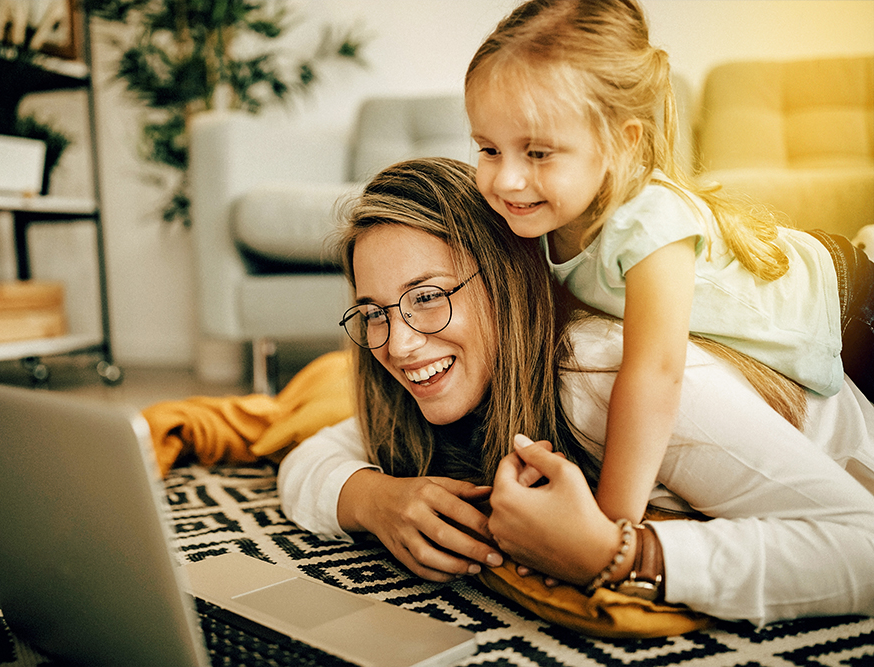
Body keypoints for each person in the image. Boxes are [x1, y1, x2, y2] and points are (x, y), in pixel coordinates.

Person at [277, 156, 874, 627]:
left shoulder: (603, 375)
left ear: (505, 281)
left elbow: (863, 548)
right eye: (372, 313)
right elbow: (313, 457)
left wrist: (622, 554)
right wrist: (376, 500)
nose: (399, 345)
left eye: (428, 296)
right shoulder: (435, 382)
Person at [463, 0, 874, 524]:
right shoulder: (537, 212)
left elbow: (655, 373)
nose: (506, 180)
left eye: (538, 153)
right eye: (488, 149)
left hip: (849, 299)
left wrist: (612, 518)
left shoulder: (648, 221)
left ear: (621, 142)